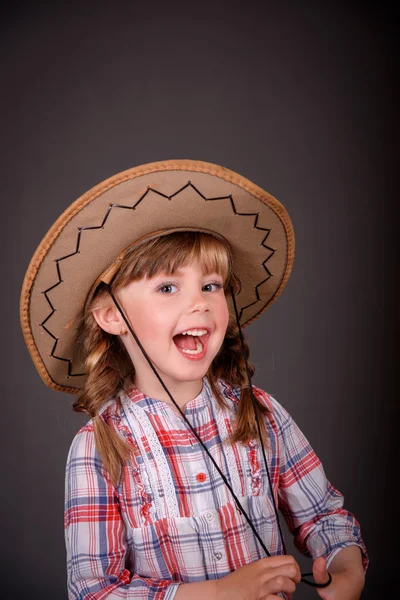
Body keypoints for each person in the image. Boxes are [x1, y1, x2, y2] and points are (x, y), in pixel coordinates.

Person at [20, 160, 368, 600]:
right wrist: (219, 592)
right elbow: (94, 591)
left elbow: (322, 517)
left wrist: (345, 564)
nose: (200, 304)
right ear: (112, 315)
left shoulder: (259, 413)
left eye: (211, 285)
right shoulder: (99, 447)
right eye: (168, 288)